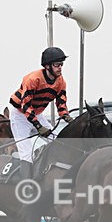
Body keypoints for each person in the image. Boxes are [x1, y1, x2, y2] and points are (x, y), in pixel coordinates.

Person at [9, 47, 73, 181]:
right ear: (47, 66)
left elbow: (61, 101)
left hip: (37, 114)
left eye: (62, 64)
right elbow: (26, 106)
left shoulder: (61, 81)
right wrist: (38, 127)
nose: (60, 68)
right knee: (26, 153)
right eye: (57, 65)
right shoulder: (33, 79)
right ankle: (26, 186)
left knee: (58, 142)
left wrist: (65, 115)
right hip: (20, 115)